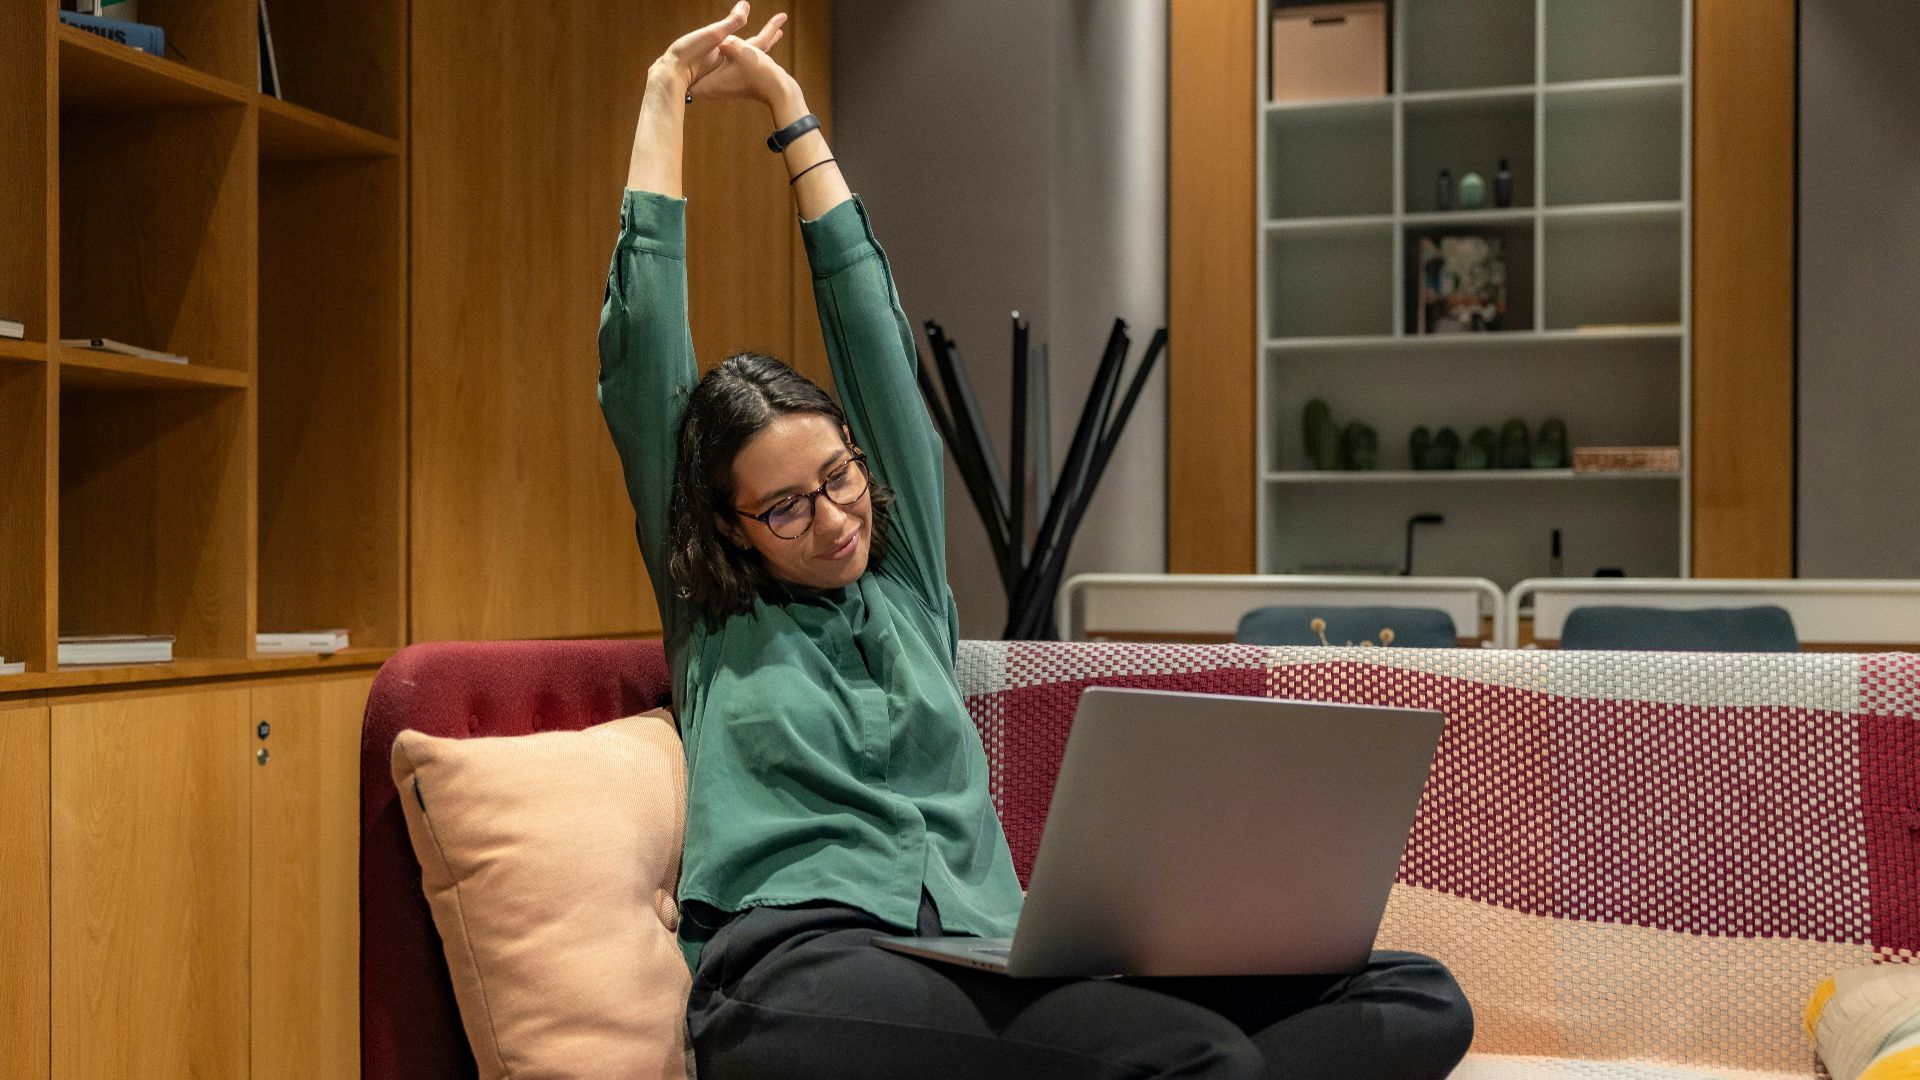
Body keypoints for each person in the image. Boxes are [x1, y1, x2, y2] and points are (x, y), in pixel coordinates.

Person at [597, 5, 1476, 1076]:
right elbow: (643, 355)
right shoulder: (718, 614)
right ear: (726, 529)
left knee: (1419, 998)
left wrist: (792, 116)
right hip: (794, 969)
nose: (832, 520)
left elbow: (871, 330)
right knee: (1201, 1058)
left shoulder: (906, 583)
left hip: (976, 955)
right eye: (785, 509)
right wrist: (660, 99)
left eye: (840, 479)